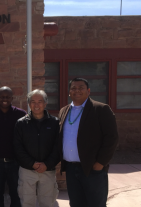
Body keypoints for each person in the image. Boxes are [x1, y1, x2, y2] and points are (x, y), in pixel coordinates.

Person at [59, 78, 118, 207]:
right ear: (69, 92)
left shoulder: (101, 109)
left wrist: (100, 163)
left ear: (88, 91)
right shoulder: (64, 111)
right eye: (73, 88)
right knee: (76, 203)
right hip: (71, 169)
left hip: (92, 169)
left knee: (95, 204)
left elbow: (112, 138)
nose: (77, 90)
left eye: (81, 87)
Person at [13, 89, 60, 207]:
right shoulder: (21, 123)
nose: (36, 105)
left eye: (40, 101)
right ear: (29, 104)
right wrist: (32, 163)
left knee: (48, 203)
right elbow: (17, 147)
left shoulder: (54, 123)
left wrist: (47, 164)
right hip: (27, 171)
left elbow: (58, 147)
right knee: (27, 203)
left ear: (45, 103)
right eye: (33, 101)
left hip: (48, 171)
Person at [0, 86, 26, 207]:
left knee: (16, 195)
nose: (5, 99)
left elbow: (25, 138)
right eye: (2, 97)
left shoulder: (21, 114)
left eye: (8, 97)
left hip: (15, 162)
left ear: (12, 98)